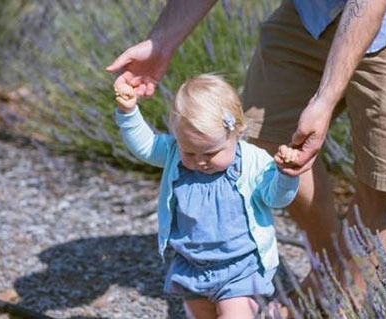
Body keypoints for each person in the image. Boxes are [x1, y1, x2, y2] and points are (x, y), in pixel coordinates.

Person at [107, 0, 386, 305]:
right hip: (313, 13)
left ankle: (340, 300)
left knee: (384, 185)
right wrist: (162, 42)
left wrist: (324, 98)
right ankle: (331, 270)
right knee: (263, 143)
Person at [113, 74, 299, 319]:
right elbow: (145, 146)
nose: (200, 161)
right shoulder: (174, 155)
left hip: (241, 267)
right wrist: (128, 113)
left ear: (237, 131)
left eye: (211, 152)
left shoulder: (254, 163)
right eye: (189, 152)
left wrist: (286, 176)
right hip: (192, 265)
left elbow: (277, 198)